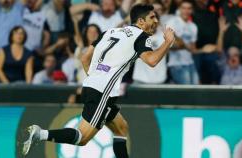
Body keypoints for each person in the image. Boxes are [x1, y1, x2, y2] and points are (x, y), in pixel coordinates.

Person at [22, 4, 175, 158]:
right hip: (103, 92)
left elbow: (85, 57)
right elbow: (152, 61)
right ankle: (40, 134)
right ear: (141, 21)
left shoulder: (109, 31)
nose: (156, 21)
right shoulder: (141, 36)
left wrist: (96, 77)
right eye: (152, 17)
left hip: (92, 85)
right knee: (82, 138)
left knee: (121, 128)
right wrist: (168, 42)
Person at [166, 0, 199, 84]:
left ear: (192, 10)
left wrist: (204, 50)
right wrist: (184, 46)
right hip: (176, 64)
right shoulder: (172, 22)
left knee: (197, 89)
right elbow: (168, 46)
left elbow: (193, 49)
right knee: (187, 93)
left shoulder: (193, 26)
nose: (186, 11)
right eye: (183, 8)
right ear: (179, 9)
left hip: (190, 63)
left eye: (189, 8)